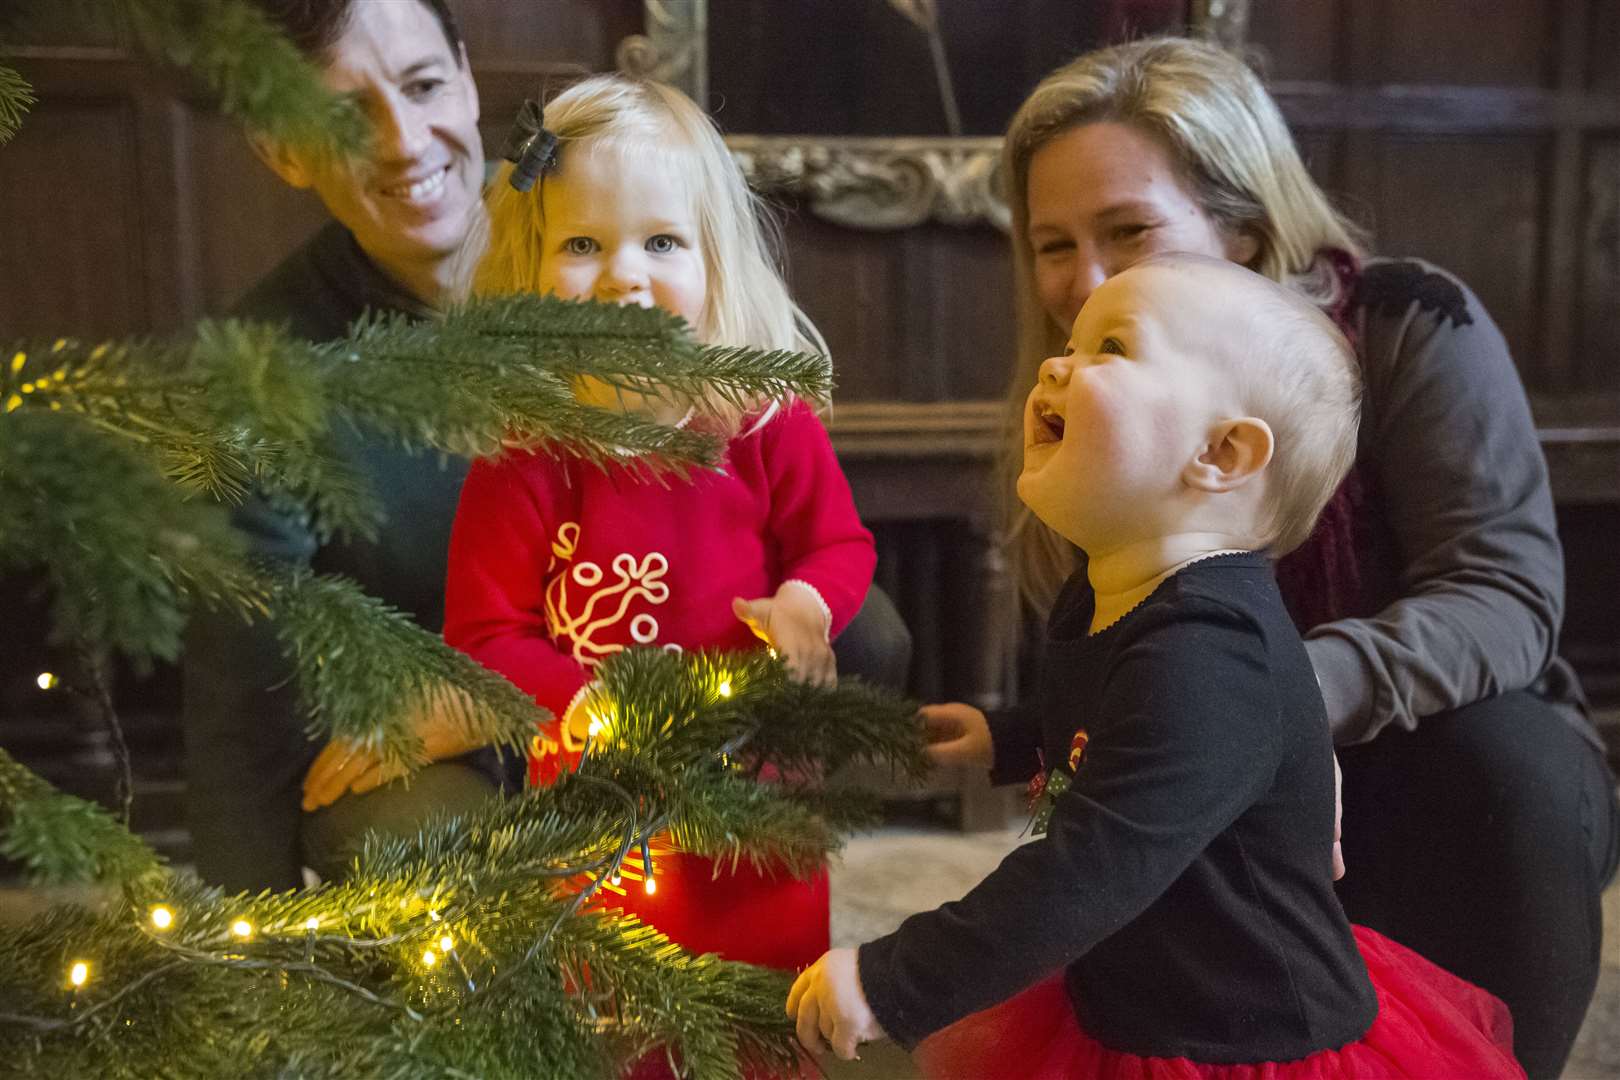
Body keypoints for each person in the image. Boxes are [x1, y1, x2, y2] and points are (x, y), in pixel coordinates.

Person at [980, 37, 1614, 1079]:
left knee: (1513, 767)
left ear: (1245, 224)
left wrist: (1277, 702)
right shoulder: (1086, 389)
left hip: (1442, 763)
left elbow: (1502, 595)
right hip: (1213, 780)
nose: (1081, 280)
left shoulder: (1410, 324)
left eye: (1128, 230)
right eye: (1054, 244)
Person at [182, 0, 913, 893]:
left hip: (652, 667)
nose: (406, 142)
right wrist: (238, 950)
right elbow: (240, 676)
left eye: (422, 85)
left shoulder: (598, 200)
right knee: (449, 847)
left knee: (864, 626)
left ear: (465, 72)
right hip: (434, 721)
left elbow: (820, 541)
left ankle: (725, 862)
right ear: (280, 147)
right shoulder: (260, 368)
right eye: (341, 116)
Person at [788, 253, 1524, 1079]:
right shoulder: (1113, 590)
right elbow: (1116, 725)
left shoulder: (1212, 651)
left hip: (1242, 1040)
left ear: (1221, 452)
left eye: (1112, 349)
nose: (1056, 364)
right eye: (1070, 342)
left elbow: (1095, 862)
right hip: (1136, 990)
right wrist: (1012, 736)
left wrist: (897, 979)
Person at [442, 74, 874, 987]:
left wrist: (804, 604)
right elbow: (483, 636)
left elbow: (838, 545)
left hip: (758, 767)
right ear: (529, 276)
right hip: (600, 784)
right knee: (615, 988)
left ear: (715, 261)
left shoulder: (761, 418)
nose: (624, 274)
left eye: (662, 241)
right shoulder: (526, 451)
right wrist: (589, 705)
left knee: (763, 977)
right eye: (583, 244)